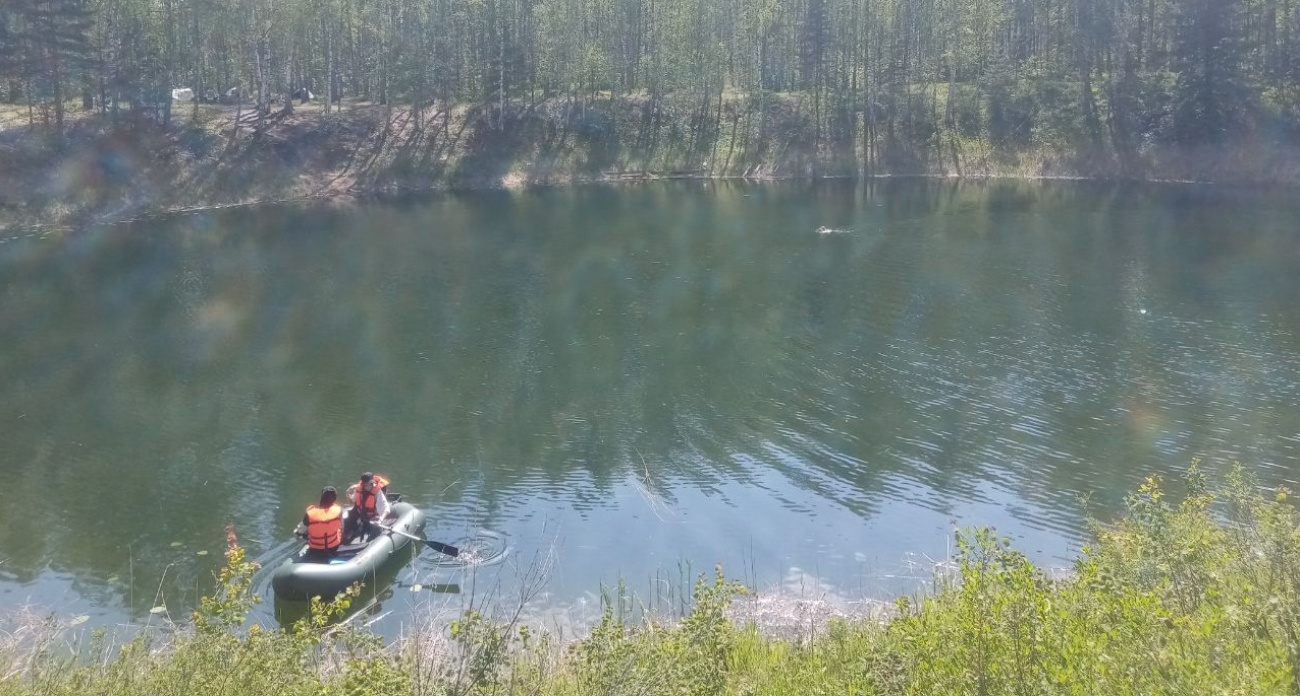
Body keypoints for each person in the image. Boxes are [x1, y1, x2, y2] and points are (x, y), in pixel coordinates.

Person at [344, 472, 392, 543]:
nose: (365, 487)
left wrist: (380, 520)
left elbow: (386, 509)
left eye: (367, 485)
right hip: (362, 515)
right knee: (350, 517)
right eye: (364, 485)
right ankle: (346, 538)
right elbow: (354, 502)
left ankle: (370, 542)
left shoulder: (377, 493)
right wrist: (350, 497)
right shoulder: (359, 489)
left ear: (372, 483)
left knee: (376, 527)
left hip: (373, 518)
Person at [301, 486, 343, 560]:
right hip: (333, 547)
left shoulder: (310, 513)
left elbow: (300, 532)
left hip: (315, 549)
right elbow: (342, 527)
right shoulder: (338, 511)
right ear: (334, 499)